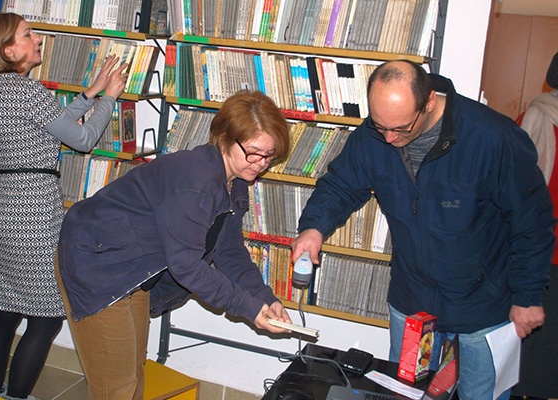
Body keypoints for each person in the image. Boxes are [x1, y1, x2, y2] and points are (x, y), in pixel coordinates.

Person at [291, 60, 555, 400]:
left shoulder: (494, 139)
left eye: (400, 128)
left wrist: (528, 296)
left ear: (429, 102)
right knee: (408, 394)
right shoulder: (374, 135)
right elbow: (341, 185)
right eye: (379, 125)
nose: (388, 137)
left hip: (484, 305)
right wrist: (314, 227)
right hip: (413, 299)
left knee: (482, 396)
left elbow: (532, 222)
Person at [57, 89, 294, 400]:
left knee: (132, 376)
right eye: (253, 152)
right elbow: (187, 265)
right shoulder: (196, 182)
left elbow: (230, 252)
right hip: (97, 262)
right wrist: (248, 308)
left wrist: (263, 298)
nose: (260, 164)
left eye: (269, 155)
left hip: (132, 267)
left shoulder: (234, 182)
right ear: (224, 137)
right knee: (115, 388)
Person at [0, 12, 127, 400]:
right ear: (9, 50)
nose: (36, 38)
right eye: (28, 34)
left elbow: (49, 124)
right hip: (33, 212)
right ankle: (17, 396)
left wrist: (88, 95)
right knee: (45, 317)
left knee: (4, 311)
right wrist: (109, 99)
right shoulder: (28, 91)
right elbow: (83, 139)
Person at [511, 52, 558, 400]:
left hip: (543, 254)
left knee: (536, 362)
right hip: (546, 257)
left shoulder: (534, 115)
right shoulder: (538, 117)